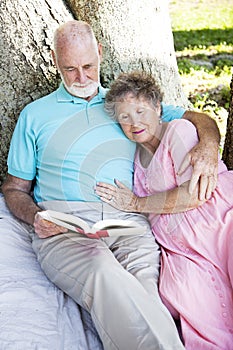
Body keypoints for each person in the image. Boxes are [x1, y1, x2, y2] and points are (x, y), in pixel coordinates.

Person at [1, 20, 220, 350]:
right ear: (55, 60)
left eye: (88, 66)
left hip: (127, 222)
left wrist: (207, 147)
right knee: (103, 272)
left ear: (100, 54)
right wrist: (35, 217)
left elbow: (199, 118)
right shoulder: (35, 115)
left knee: (145, 290)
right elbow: (14, 188)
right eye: (70, 68)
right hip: (65, 228)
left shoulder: (124, 106)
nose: (82, 77)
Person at [95, 71, 233, 349]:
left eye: (140, 111)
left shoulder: (178, 132)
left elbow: (195, 195)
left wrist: (136, 203)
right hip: (180, 248)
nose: (134, 123)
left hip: (216, 222)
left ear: (158, 107)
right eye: (125, 117)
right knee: (181, 293)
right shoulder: (135, 158)